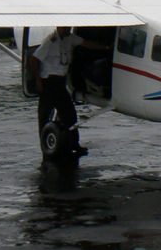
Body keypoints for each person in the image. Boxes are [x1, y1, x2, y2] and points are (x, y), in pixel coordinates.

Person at [30, 27, 105, 156]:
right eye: (66, 28)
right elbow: (34, 59)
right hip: (49, 82)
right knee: (44, 115)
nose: (68, 29)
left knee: (70, 115)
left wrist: (105, 48)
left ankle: (74, 144)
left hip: (60, 82)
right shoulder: (50, 41)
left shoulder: (69, 38)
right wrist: (38, 80)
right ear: (59, 27)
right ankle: (46, 146)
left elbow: (86, 43)